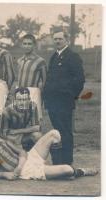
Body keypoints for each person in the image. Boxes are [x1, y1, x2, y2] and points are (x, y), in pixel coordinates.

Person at [43, 29, 85, 165]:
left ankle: (67, 162)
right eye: (55, 39)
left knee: (65, 131)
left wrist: (71, 97)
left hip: (64, 102)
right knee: (57, 131)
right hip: (52, 102)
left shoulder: (72, 56)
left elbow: (79, 80)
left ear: (66, 39)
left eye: (60, 39)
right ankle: (58, 161)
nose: (57, 41)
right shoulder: (54, 56)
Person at [17, 34, 47, 121]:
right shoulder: (20, 60)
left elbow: (45, 81)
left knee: (34, 119)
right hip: (20, 92)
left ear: (34, 45)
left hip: (33, 92)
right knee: (21, 119)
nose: (27, 46)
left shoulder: (40, 61)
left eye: (29, 44)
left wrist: (41, 97)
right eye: (25, 44)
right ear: (22, 45)